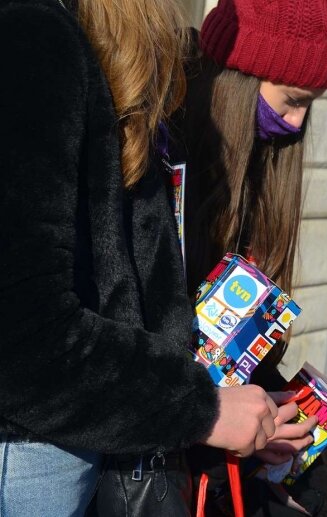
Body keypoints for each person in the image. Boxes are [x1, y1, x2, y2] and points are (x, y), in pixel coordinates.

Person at [0, 0, 280, 515]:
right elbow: (21, 333)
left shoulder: (80, 35)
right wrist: (199, 409)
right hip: (24, 459)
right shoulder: (30, 32)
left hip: (68, 443)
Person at [167, 0, 327, 513]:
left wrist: (270, 424)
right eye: (292, 100)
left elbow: (229, 351)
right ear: (240, 77)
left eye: (311, 105)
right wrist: (209, 414)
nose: (296, 124)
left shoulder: (253, 164)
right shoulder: (161, 165)